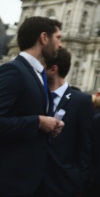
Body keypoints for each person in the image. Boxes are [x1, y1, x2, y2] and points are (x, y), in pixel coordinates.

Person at [0, 16, 64, 197]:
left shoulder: (37, 74)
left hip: (32, 181)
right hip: (10, 183)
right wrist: (38, 122)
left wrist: (50, 125)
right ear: (44, 38)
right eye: (58, 38)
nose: (60, 45)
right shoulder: (13, 71)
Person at [44, 47, 94, 197]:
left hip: (64, 185)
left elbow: (86, 146)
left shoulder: (81, 100)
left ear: (53, 69)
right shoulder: (35, 96)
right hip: (30, 183)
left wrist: (79, 183)